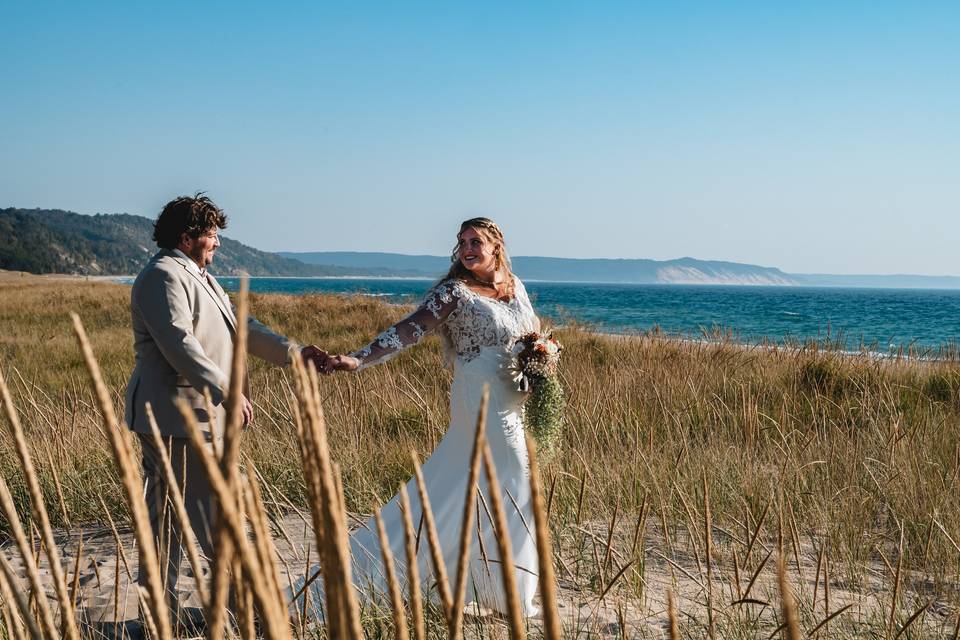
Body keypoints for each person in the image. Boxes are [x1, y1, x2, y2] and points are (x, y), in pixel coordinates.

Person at [298, 217, 542, 617]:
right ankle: (508, 593)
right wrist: (356, 359)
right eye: (462, 242)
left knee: (470, 482)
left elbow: (528, 335)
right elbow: (409, 329)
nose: (467, 248)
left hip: (513, 397)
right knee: (517, 473)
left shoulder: (516, 287)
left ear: (496, 245)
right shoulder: (454, 293)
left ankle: (488, 584)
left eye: (476, 241)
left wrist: (541, 356)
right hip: (478, 396)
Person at [124, 193, 324, 626]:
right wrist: (225, 391)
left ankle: (160, 615)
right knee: (210, 514)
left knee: (167, 521)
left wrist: (296, 353)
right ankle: (250, 612)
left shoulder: (201, 276)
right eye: (212, 233)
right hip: (177, 418)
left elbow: (244, 329)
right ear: (188, 235)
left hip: (193, 416)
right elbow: (179, 343)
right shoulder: (162, 276)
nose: (217, 242)